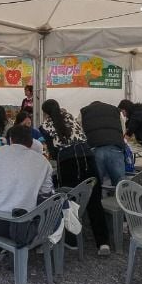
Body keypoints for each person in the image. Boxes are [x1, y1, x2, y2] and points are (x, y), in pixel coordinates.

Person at [0, 124, 55, 284]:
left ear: (11, 139)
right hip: (22, 227)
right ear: (31, 142)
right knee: (15, 212)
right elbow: (46, 191)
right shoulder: (43, 162)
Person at [40, 99, 111, 256]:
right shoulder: (70, 116)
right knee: (94, 201)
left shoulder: (45, 126)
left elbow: (53, 152)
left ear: (45, 113)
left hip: (67, 162)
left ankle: (71, 240)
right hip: (87, 158)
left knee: (69, 200)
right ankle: (103, 243)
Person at [80, 100, 126, 193]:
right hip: (115, 147)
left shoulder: (83, 111)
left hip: (94, 147)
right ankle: (121, 200)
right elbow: (123, 129)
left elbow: (80, 132)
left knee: (96, 184)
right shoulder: (116, 110)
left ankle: (98, 200)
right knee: (120, 182)